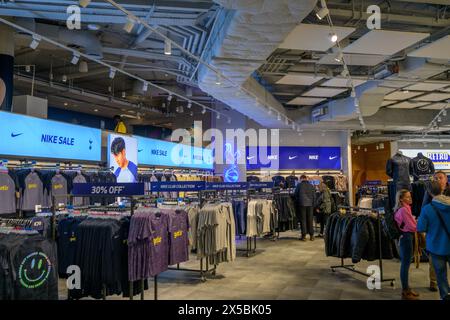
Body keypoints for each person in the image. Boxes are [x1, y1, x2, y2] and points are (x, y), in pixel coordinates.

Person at [417, 181, 450, 300]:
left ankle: (445, 296)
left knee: (441, 275)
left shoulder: (427, 209)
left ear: (429, 193)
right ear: (442, 189)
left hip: (436, 247)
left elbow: (420, 228)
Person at [394, 189, 420, 300]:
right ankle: (405, 291)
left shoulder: (404, 208)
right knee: (405, 264)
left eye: (410, 196)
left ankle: (407, 289)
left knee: (406, 263)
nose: (410, 198)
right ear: (401, 199)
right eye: (407, 197)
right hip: (406, 237)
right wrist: (417, 224)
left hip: (405, 237)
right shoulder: (404, 210)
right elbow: (412, 226)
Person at [295, 175, 316, 241]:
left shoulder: (299, 185)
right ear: (306, 178)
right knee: (310, 219)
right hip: (310, 205)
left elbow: (296, 194)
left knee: (303, 220)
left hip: (302, 204)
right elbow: (314, 196)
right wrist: (313, 204)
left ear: (301, 179)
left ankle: (303, 236)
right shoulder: (311, 185)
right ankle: (311, 236)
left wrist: (298, 202)